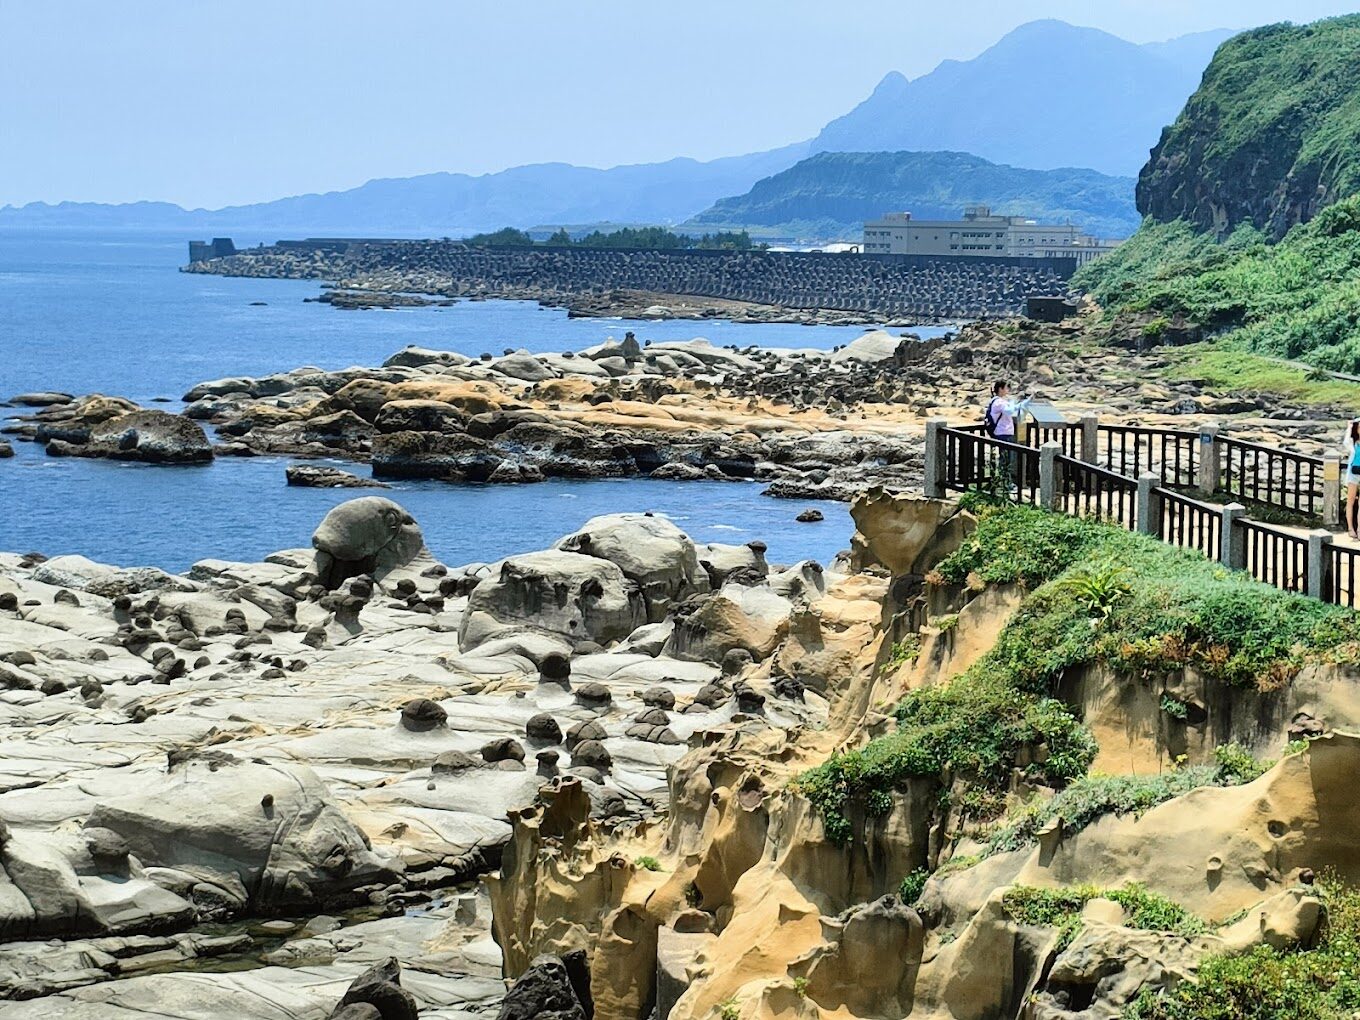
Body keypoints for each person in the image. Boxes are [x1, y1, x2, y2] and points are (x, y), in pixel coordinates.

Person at [1344, 418, 1360, 538]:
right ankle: (1350, 528)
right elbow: (1345, 442)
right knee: (1350, 501)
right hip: (1353, 474)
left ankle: (1359, 529)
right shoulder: (1353, 443)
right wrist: (1349, 427)